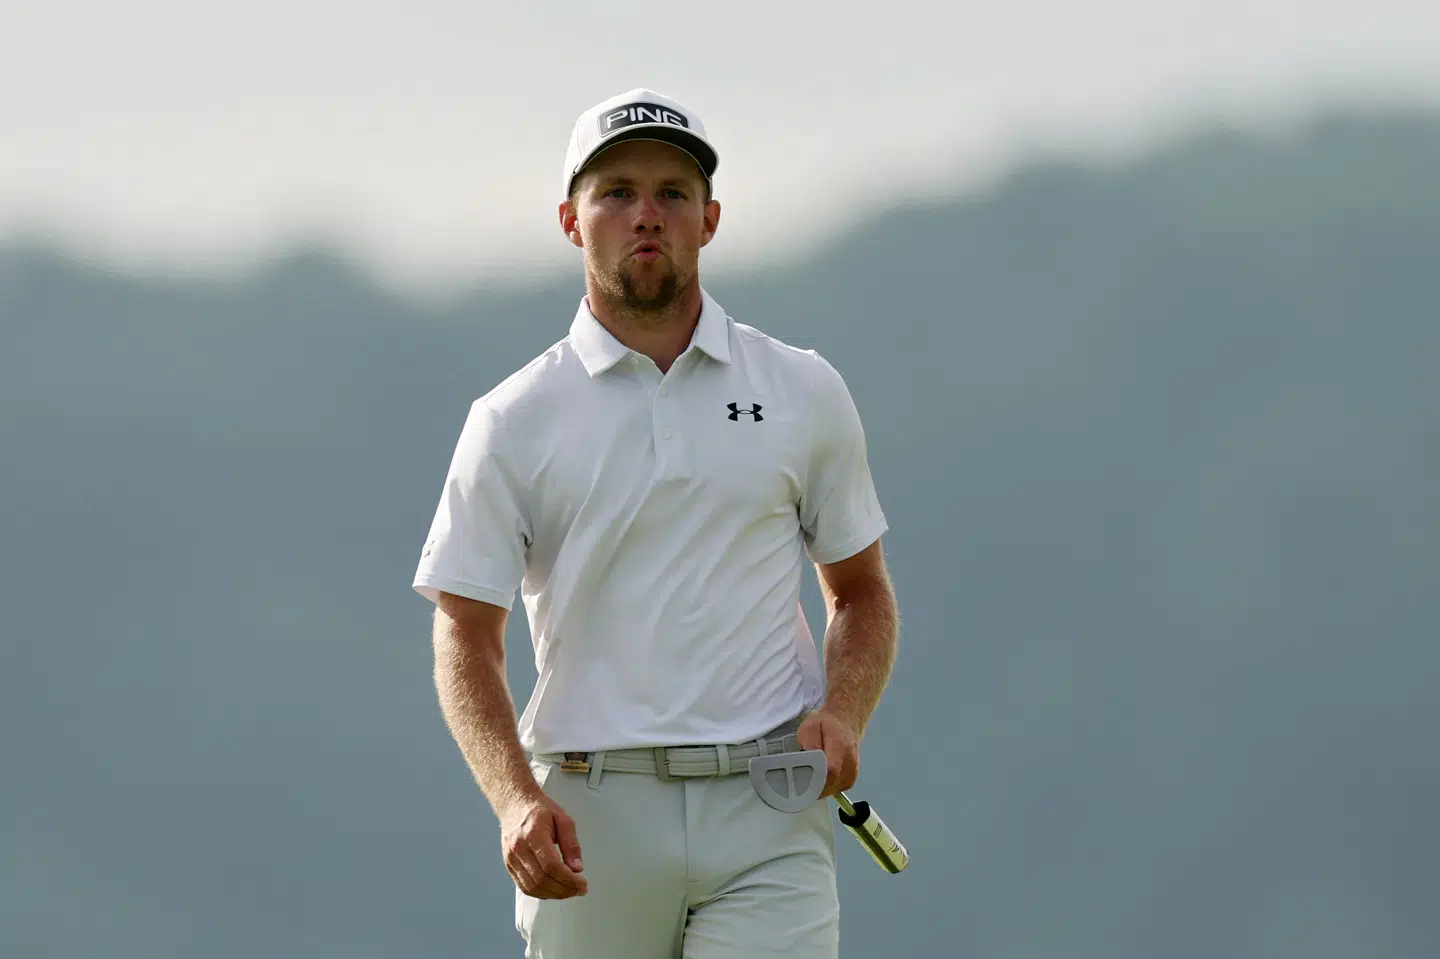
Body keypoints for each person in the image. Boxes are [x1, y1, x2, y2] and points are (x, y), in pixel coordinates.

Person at [411, 87, 900, 958]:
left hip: (769, 801)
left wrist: (846, 713)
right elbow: (464, 632)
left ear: (710, 219)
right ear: (571, 220)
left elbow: (860, 592)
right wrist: (515, 798)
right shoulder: (513, 419)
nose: (647, 215)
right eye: (617, 193)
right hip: (591, 813)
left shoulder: (803, 390)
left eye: (673, 193)